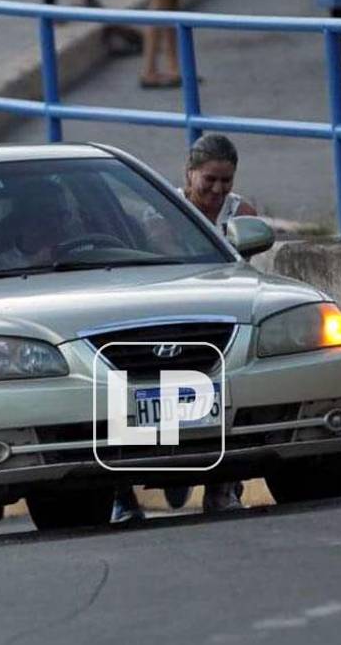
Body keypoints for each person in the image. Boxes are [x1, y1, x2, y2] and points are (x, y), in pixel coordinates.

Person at [113, 133, 256, 522]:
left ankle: (224, 487)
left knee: (228, 397)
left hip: (221, 321)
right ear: (189, 174)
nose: (216, 189)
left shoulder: (239, 209)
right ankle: (123, 496)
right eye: (208, 179)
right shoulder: (163, 210)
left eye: (225, 181)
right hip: (173, 318)